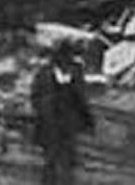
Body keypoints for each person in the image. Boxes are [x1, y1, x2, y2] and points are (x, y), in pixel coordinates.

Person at [31, 40, 93, 185]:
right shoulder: (44, 74)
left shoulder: (77, 72)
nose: (66, 63)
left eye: (69, 59)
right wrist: (45, 110)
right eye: (63, 59)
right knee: (51, 159)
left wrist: (87, 119)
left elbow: (81, 98)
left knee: (68, 160)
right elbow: (35, 98)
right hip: (49, 124)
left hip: (68, 124)